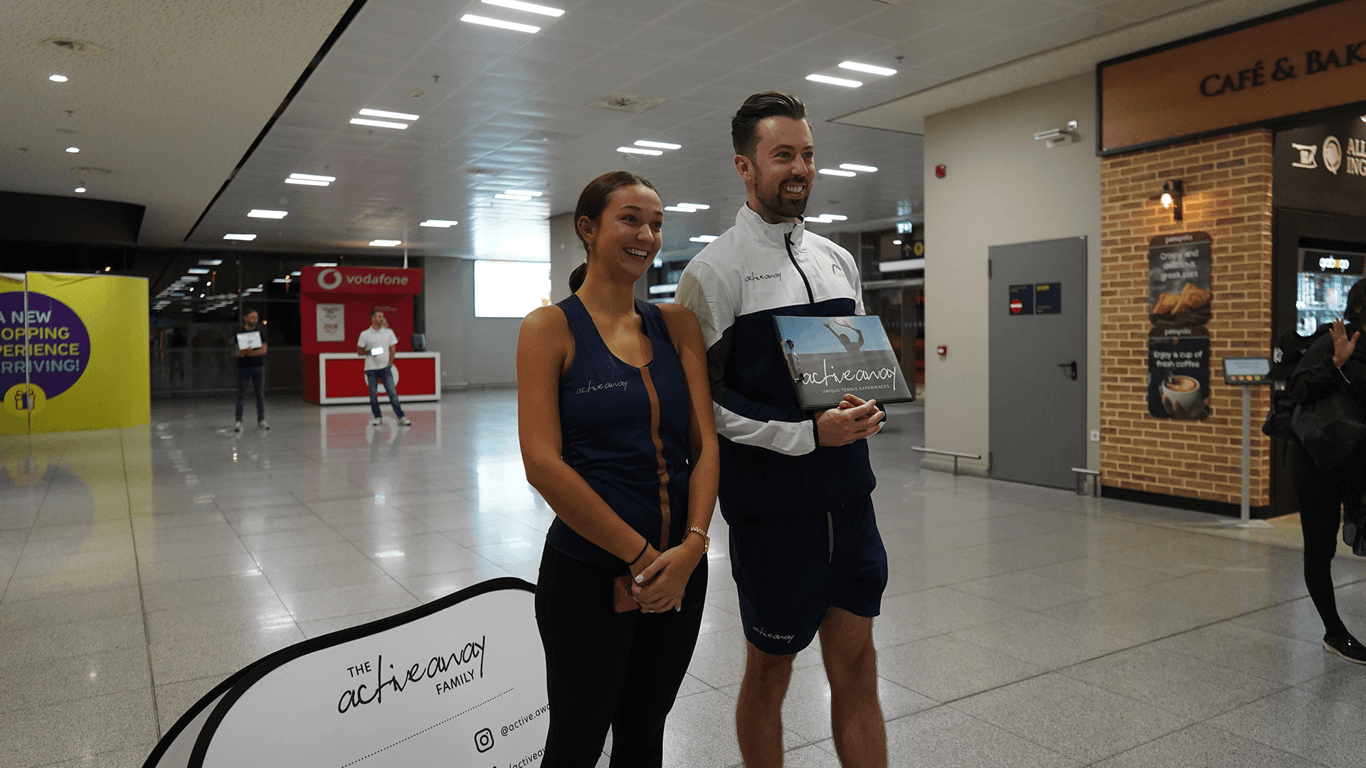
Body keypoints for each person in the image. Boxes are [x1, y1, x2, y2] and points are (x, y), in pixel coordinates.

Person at [675, 91, 888, 768]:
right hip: (774, 515)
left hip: (852, 501)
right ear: (745, 166)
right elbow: (699, 407)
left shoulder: (835, 259)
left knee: (859, 667)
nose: (799, 168)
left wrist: (865, 407)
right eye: (782, 155)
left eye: (807, 154)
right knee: (770, 674)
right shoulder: (714, 271)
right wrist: (803, 437)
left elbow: (850, 371)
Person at [517, 170, 719, 767]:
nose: (647, 235)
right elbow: (542, 464)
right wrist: (639, 556)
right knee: (576, 741)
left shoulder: (675, 325)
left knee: (643, 732)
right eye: (630, 219)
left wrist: (692, 548)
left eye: (656, 224)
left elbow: (705, 444)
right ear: (588, 228)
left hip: (681, 570)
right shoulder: (549, 329)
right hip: (587, 575)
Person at [1285, 278, 1366, 663]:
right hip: (1316, 459)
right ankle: (1334, 632)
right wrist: (1335, 363)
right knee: (1321, 548)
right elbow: (1297, 387)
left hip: (1356, 461)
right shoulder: (1334, 339)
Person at [356, 309, 412, 427]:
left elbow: (393, 348)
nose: (382, 319)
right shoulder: (364, 334)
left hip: (385, 368)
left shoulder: (389, 333)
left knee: (392, 393)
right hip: (371, 368)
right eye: (379, 317)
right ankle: (377, 416)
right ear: (373, 318)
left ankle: (401, 417)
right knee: (373, 394)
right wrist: (370, 351)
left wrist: (390, 362)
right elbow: (359, 351)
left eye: (382, 317)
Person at [234, 310, 268, 431]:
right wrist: (247, 352)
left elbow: (263, 351)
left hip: (258, 367)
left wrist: (249, 352)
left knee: (259, 394)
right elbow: (239, 352)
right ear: (246, 318)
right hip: (243, 368)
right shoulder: (240, 333)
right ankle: (238, 421)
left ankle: (261, 420)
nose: (254, 319)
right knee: (240, 395)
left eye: (256, 317)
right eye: (252, 317)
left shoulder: (260, 333)